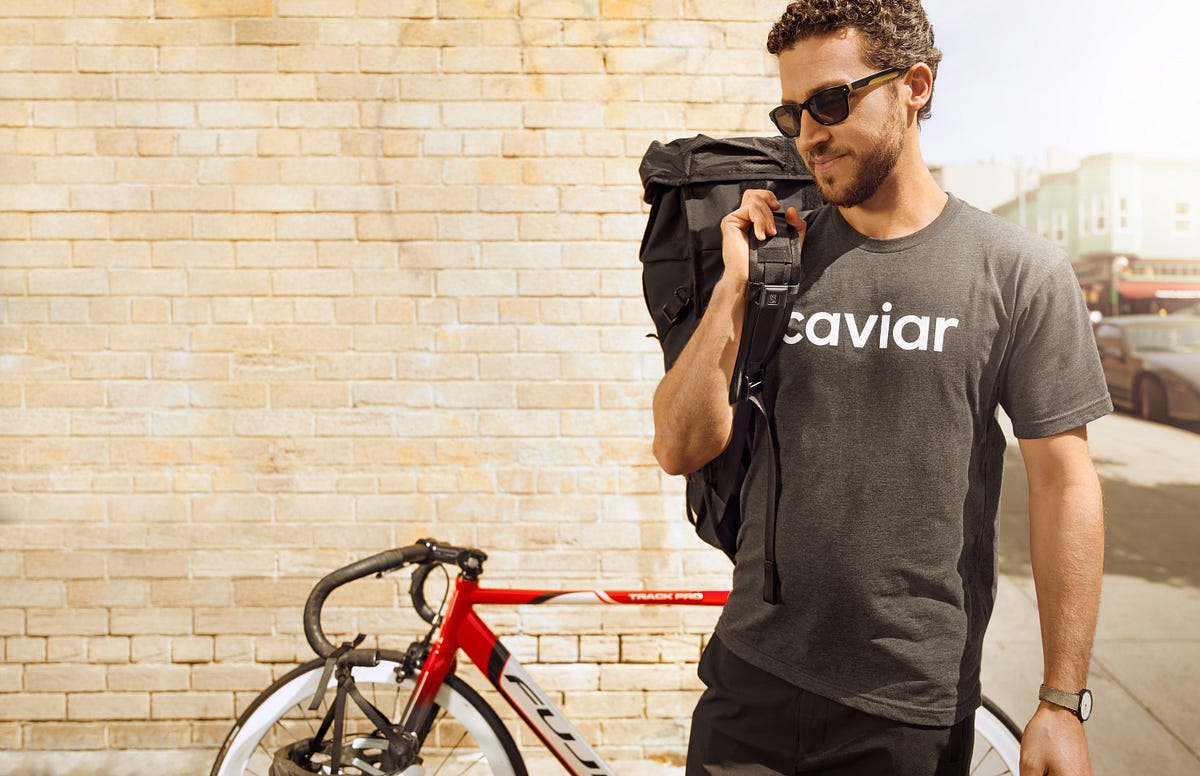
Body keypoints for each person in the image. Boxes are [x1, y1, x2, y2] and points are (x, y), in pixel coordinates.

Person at [651, 2, 1112, 774]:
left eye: (831, 101)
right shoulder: (777, 255)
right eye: (792, 113)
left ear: (915, 87)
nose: (809, 134)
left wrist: (1062, 701)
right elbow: (677, 447)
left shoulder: (1019, 271)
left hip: (907, 711)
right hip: (749, 683)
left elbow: (1065, 485)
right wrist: (733, 288)